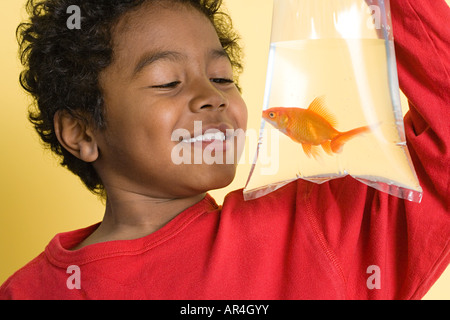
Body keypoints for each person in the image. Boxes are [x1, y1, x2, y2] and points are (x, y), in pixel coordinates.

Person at [0, 0, 448, 300]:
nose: (212, 97)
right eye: (167, 82)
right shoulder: (26, 292)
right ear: (81, 133)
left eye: (221, 78)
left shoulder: (320, 225)